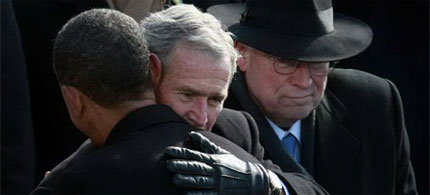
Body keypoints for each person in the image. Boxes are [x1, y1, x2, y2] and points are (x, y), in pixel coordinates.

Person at [38, 6, 328, 194]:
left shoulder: (236, 130)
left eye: (216, 99)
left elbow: (313, 190)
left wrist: (266, 183)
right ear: (150, 74)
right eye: (187, 94)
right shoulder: (109, 139)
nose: (201, 117)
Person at [206, 0, 418, 194]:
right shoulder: (207, 117)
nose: (304, 81)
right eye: (286, 62)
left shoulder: (373, 105)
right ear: (241, 54)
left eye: (318, 62)